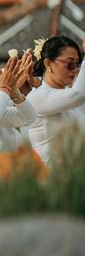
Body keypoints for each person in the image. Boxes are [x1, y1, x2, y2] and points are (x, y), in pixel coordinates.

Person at [26, 35, 85, 164]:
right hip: (49, 179)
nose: (75, 70)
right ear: (48, 63)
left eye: (77, 64)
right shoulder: (37, 97)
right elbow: (79, 94)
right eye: (70, 64)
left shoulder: (72, 98)